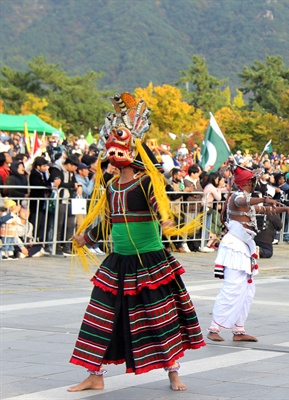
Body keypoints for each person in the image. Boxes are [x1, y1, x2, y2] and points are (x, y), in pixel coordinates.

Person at [68, 92, 205, 392]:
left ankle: (173, 372)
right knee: (100, 316)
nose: (114, 156)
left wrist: (166, 219)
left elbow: (159, 204)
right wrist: (84, 236)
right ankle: (94, 374)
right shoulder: (112, 187)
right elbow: (106, 221)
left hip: (150, 261)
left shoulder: (146, 181)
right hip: (118, 261)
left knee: (160, 317)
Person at [207, 165, 289, 343]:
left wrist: (287, 210)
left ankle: (238, 329)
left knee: (247, 291)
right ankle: (214, 328)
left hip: (245, 248)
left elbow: (266, 210)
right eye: (253, 180)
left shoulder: (248, 200)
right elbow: (245, 201)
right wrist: (265, 199)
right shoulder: (237, 197)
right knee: (232, 289)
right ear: (249, 181)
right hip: (235, 247)